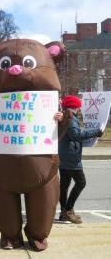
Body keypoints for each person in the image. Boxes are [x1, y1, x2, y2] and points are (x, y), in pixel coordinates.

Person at [58, 95, 104, 224]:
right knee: (81, 182)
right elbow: (75, 135)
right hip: (71, 158)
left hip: (64, 156)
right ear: (74, 107)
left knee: (64, 185)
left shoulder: (64, 115)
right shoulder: (71, 118)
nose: (79, 109)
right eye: (78, 107)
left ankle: (63, 213)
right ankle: (68, 210)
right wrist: (94, 132)